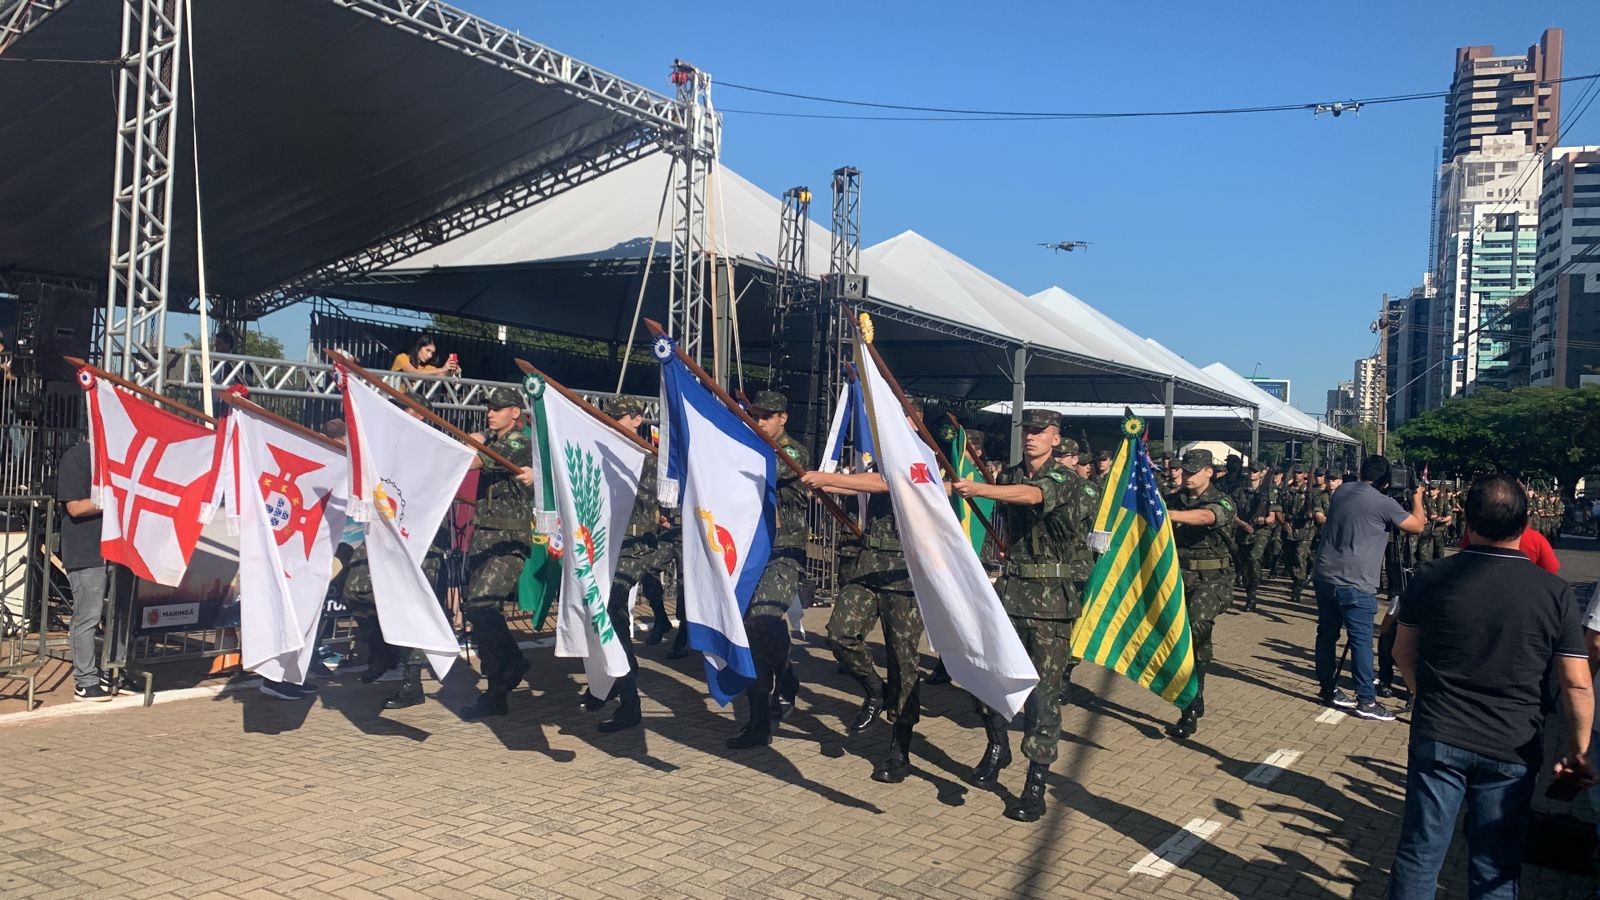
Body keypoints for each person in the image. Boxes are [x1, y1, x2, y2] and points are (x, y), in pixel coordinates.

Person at [1388, 475, 1594, 899]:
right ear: (1526, 522)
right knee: (1495, 864)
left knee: (1420, 853)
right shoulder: (1554, 592)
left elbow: (1402, 651)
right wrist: (1576, 750)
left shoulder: (1432, 575)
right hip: (1513, 742)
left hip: (1439, 731)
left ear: (1466, 519)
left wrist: (1423, 694)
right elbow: (1575, 683)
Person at [953, 408, 1095, 822]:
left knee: (1042, 699)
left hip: (1052, 604)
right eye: (1026, 431)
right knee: (987, 679)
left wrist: (981, 488)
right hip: (1011, 594)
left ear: (1056, 438)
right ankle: (997, 746)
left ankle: (1035, 784)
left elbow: (1034, 497)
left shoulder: (1066, 480)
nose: (1030, 437)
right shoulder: (1011, 476)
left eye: (1039, 431)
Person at [804, 404, 926, 781]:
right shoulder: (885, 459)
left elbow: (889, 483)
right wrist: (821, 483)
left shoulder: (924, 459)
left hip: (906, 574)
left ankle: (899, 750)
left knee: (903, 663)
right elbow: (865, 481)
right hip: (871, 562)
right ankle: (874, 689)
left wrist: (826, 478)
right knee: (840, 633)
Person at [1309, 456, 1424, 722]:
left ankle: (1327, 688)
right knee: (1361, 640)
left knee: (1326, 634)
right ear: (1386, 480)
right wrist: (1416, 494)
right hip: (1356, 582)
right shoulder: (1384, 503)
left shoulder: (1342, 491)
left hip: (1325, 575)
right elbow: (1417, 526)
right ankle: (1366, 701)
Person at [725, 391, 810, 749]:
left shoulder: (793, 453)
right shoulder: (749, 446)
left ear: (783, 418)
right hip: (750, 550)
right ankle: (759, 720)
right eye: (755, 415)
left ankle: (785, 675)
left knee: (761, 620)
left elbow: (763, 472)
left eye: (767, 416)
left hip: (784, 554)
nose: (759, 421)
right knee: (748, 630)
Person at [588, 396, 669, 732]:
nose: (611, 423)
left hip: (635, 547)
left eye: (618, 418)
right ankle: (606, 684)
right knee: (595, 613)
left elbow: (649, 499)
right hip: (605, 545)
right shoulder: (606, 452)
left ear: (637, 419)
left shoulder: (647, 460)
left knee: (612, 612)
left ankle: (629, 700)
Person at [458, 388, 538, 719]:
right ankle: (497, 690)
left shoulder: (518, 443)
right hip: (484, 534)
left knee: (482, 601)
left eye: (498, 408)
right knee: (478, 611)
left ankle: (513, 662)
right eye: (488, 408)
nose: (490, 413)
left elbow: (473, 459)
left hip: (509, 538)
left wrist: (471, 441)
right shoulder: (491, 440)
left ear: (515, 413)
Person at [1163, 448, 1236, 739]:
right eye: (1185, 471)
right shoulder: (1172, 499)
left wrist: (1170, 514)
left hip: (1213, 580)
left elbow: (1207, 517)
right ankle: (1188, 691)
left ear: (1210, 471)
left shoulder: (1222, 500)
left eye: (1194, 471)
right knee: (1175, 638)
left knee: (1197, 621)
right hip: (1177, 578)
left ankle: (1193, 698)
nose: (1188, 476)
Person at [55, 437, 119, 701]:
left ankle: (114, 672)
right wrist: (110, 499)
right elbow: (75, 507)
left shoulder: (116, 459)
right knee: (88, 616)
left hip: (116, 551)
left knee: (119, 616)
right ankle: (86, 680)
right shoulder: (76, 458)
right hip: (86, 553)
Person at [1232, 463, 1278, 613]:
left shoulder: (1268, 491)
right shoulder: (1239, 490)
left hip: (1261, 531)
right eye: (1250, 471)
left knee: (1253, 557)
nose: (1251, 473)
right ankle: (1249, 591)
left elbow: (1272, 516)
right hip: (1243, 530)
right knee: (1244, 564)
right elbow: (1231, 511)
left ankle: (1253, 592)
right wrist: (1241, 523)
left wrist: (1264, 519)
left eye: (1255, 471)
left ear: (1261, 473)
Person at [1278, 466, 1317, 602]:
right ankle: (1296, 579)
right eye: (1295, 472)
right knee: (1288, 559)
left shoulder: (1310, 491)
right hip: (1288, 528)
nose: (1297, 475)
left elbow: (1315, 508)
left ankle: (1298, 587)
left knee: (1300, 557)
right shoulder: (1287, 490)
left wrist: (1311, 513)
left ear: (1305, 474)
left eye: (1300, 473)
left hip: (1305, 529)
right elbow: (1278, 507)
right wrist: (1282, 522)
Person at [391, 334, 461, 377]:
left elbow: (440, 375)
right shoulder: (402, 357)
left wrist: (452, 372)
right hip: (390, 399)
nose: (429, 356)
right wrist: (442, 369)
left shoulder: (425, 367)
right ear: (419, 347)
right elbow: (413, 373)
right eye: (427, 350)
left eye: (432, 353)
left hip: (405, 400)